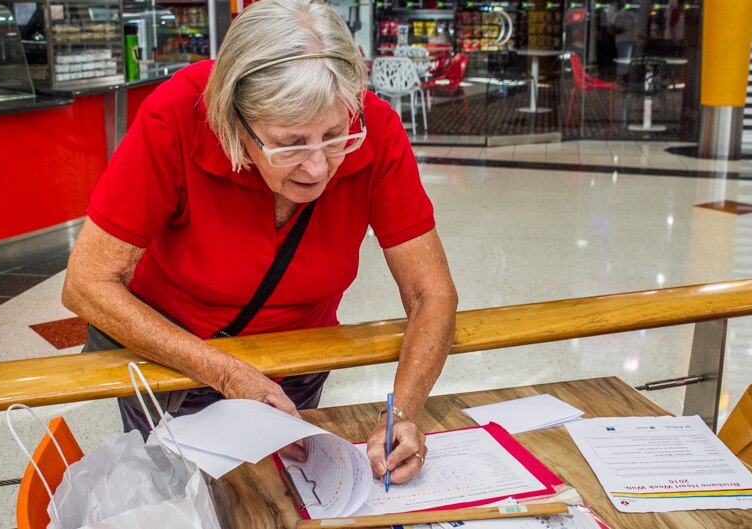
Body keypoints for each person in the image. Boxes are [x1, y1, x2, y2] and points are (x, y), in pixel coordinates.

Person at [61, 0, 458, 487]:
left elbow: (430, 293)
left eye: (334, 136)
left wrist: (403, 413)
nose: (317, 168)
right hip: (177, 362)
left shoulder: (374, 127)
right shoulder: (176, 116)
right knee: (180, 496)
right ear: (235, 121)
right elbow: (86, 284)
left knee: (283, 491)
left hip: (297, 358)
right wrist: (225, 374)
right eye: (289, 143)